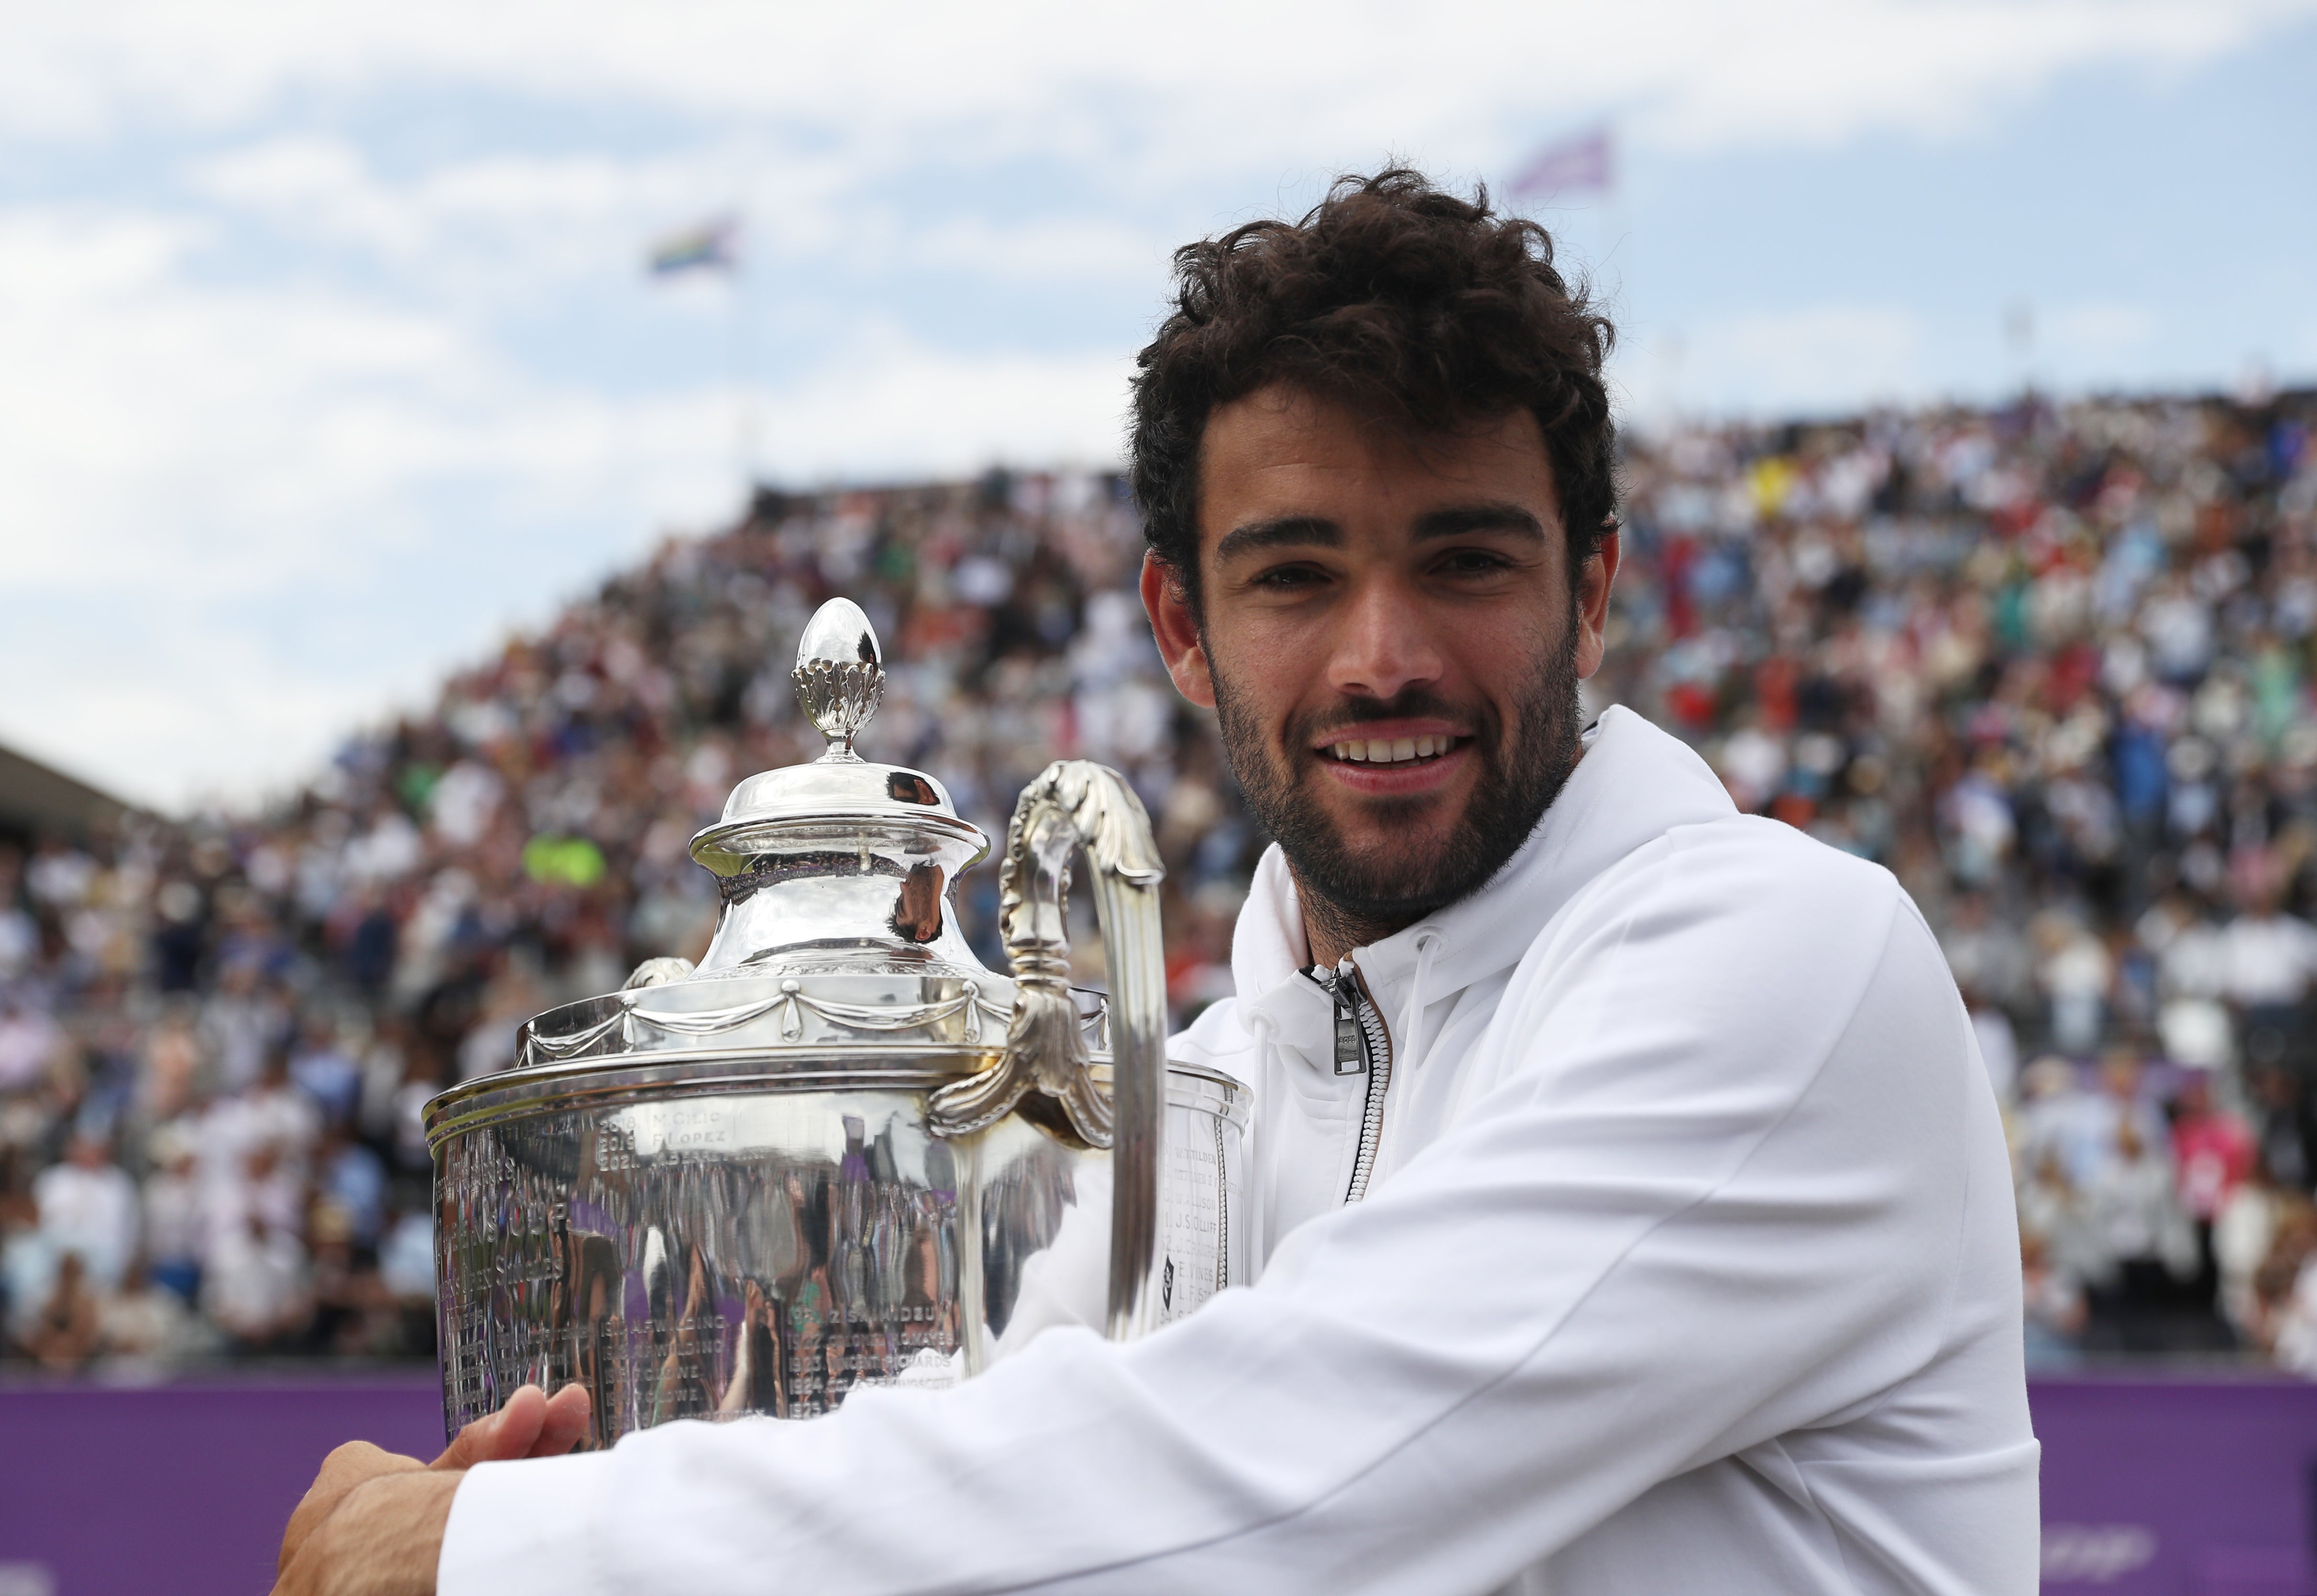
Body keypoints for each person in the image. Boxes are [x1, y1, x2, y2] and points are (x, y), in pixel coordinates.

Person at [272, 170, 2036, 1596]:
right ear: (1183, 627)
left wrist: (510, 1556)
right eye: (1294, 574)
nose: (1383, 653)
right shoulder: (1201, 1079)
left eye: (1466, 558)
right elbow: (1017, 1470)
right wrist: (615, 1494)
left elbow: (1283, 1482)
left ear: (1591, 595)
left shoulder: (1787, 963)